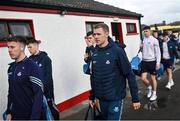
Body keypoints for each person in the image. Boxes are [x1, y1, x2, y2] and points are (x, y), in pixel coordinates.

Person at [89, 23, 140, 120]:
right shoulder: (94, 53)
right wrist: (92, 96)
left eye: (98, 34)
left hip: (115, 98)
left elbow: (129, 74)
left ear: (106, 34)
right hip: (101, 98)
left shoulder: (117, 51)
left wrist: (135, 98)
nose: (96, 37)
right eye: (94, 34)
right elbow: (93, 76)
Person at [5, 36, 44, 120]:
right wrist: (9, 112)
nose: (9, 50)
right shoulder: (11, 68)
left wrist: (34, 118)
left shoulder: (32, 67)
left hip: (29, 116)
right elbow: (11, 92)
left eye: (12, 47)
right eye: (8, 47)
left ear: (22, 47)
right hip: (15, 115)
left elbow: (38, 95)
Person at [26, 38, 59, 120]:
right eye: (28, 47)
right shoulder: (29, 60)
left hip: (46, 93)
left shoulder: (45, 59)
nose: (29, 49)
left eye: (30, 47)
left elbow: (47, 78)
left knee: (51, 113)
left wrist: (39, 90)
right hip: (34, 95)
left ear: (36, 45)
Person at [140, 26, 161, 101]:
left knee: (153, 79)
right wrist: (141, 47)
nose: (145, 33)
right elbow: (143, 50)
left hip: (152, 61)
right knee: (143, 78)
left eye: (146, 31)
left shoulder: (154, 40)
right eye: (144, 31)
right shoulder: (143, 39)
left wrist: (158, 62)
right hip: (144, 61)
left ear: (150, 31)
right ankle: (150, 88)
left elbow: (158, 52)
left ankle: (154, 94)